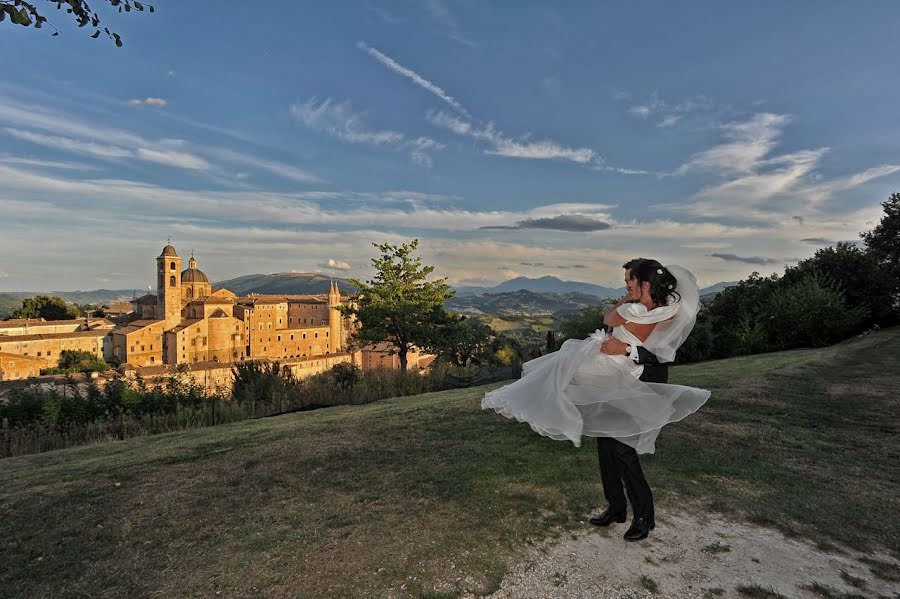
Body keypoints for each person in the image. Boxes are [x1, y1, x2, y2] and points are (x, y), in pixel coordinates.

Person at [481, 259, 709, 541]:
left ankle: (644, 516)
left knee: (624, 449)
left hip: (640, 384)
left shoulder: (667, 313)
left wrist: (627, 349)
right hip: (611, 380)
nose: (626, 285)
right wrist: (628, 309)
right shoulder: (652, 309)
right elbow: (613, 320)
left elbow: (660, 353)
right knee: (605, 442)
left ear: (644, 283)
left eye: (630, 280)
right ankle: (616, 507)